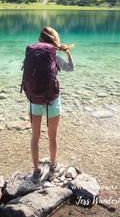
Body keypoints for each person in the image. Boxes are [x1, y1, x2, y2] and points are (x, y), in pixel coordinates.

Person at [27, 26, 75, 183]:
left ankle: (36, 170)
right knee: (52, 136)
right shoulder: (55, 57)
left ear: (40, 40)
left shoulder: (32, 53)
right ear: (54, 40)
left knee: (35, 137)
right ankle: (53, 165)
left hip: (34, 100)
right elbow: (71, 69)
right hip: (52, 100)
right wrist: (67, 53)